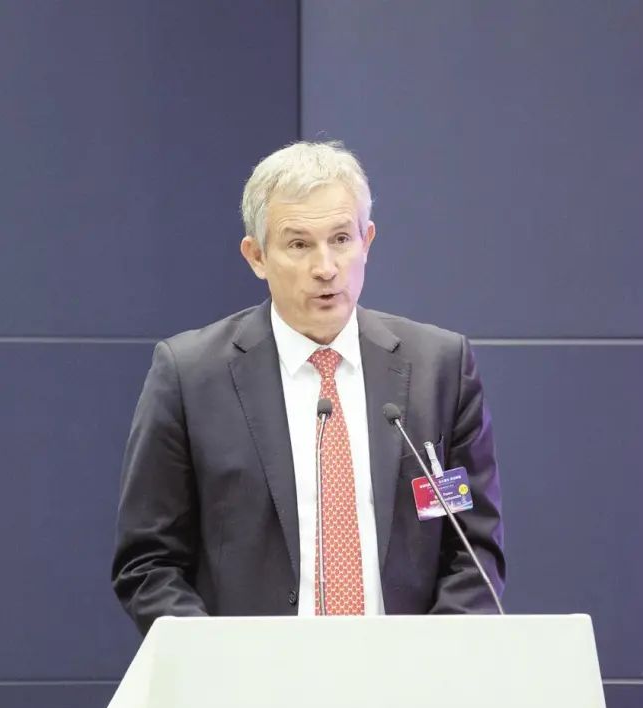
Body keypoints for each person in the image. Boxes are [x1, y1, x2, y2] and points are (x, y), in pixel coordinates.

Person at [112, 141, 505, 634]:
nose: (326, 267)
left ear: (367, 241)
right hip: (249, 674)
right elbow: (149, 563)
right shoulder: (190, 376)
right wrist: (217, 661)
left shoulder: (440, 367)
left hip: (407, 673)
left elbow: (475, 549)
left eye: (341, 239)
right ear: (257, 256)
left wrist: (431, 661)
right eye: (299, 245)